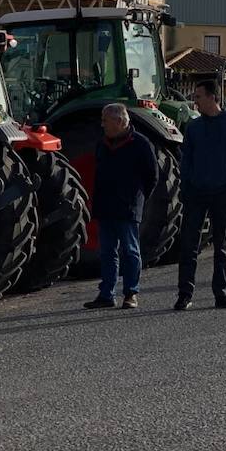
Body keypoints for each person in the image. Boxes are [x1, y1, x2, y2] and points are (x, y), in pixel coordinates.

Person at [175, 80, 226, 311]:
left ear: (212, 97)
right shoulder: (194, 127)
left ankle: (221, 293)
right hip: (196, 193)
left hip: (223, 193)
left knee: (222, 245)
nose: (194, 101)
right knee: (188, 245)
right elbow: (186, 160)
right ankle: (185, 294)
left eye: (198, 96)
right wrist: (186, 187)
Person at [84, 103, 158, 311]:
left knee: (130, 251)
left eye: (105, 120)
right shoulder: (102, 144)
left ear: (119, 121)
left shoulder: (140, 144)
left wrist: (138, 199)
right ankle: (106, 293)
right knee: (107, 252)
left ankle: (131, 293)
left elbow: (151, 176)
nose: (102, 125)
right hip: (105, 206)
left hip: (127, 207)